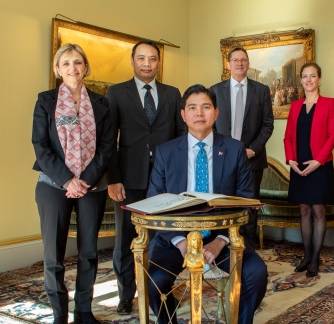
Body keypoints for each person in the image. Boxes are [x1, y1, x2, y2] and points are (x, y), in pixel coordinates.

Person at [146, 84, 268, 324]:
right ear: (183, 115)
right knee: (156, 281)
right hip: (175, 237)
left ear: (216, 113)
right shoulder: (166, 152)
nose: (199, 113)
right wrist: (181, 242)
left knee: (256, 273)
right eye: (192, 108)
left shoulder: (234, 150)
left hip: (222, 235)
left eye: (205, 107)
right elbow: (155, 201)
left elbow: (244, 200)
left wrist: (219, 242)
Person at [32, 43, 114, 324]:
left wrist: (85, 180)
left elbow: (107, 147)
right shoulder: (46, 101)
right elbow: (41, 146)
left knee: (89, 252)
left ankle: (83, 310)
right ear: (57, 69)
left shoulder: (102, 103)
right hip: (53, 185)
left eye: (77, 62)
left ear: (86, 67)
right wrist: (68, 180)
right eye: (65, 63)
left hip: (93, 185)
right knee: (54, 254)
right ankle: (58, 314)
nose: (72, 68)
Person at [105, 40, 186, 315]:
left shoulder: (173, 94)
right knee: (127, 238)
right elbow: (109, 140)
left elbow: (180, 139)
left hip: (166, 180)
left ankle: (159, 290)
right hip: (129, 178)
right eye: (141, 58)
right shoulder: (116, 93)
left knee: (165, 237)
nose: (147, 63)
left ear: (158, 62)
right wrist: (112, 179)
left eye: (152, 59)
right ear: (132, 61)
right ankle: (126, 294)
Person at [211, 47, 274, 249]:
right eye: (235, 60)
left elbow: (267, 125)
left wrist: (253, 149)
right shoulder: (214, 90)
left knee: (249, 205)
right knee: (222, 204)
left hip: (252, 159)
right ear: (228, 64)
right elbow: (210, 124)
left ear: (248, 64)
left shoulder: (261, 90)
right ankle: (221, 247)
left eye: (244, 60)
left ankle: (247, 248)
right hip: (222, 158)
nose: (240, 63)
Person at [283, 63, 334, 278]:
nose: (308, 80)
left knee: (318, 211)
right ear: (301, 80)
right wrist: (291, 160)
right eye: (305, 76)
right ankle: (306, 256)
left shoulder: (329, 104)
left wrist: (319, 161)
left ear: (319, 79)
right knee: (304, 210)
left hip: (320, 165)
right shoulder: (295, 106)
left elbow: (333, 136)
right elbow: (288, 136)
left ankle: (316, 258)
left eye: (312, 76)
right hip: (298, 165)